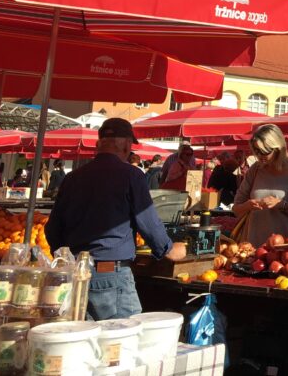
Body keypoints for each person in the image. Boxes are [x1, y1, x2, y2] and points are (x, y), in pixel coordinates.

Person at [45, 118, 186, 320]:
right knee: (121, 344)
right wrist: (168, 249)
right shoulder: (131, 175)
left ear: (98, 143)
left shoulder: (73, 178)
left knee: (81, 344)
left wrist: (67, 259)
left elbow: (52, 230)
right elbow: (148, 223)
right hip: (111, 276)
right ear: (126, 145)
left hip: (74, 275)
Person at [232, 125, 288, 247]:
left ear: (277, 148)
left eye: (264, 151)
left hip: (285, 248)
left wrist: (281, 204)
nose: (259, 156)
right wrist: (247, 205)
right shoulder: (255, 169)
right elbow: (236, 209)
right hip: (253, 246)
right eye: (256, 151)